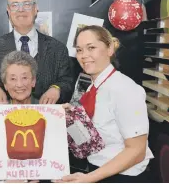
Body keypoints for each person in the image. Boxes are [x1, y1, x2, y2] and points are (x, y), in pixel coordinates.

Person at [59, 25, 154, 183]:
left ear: (110, 48)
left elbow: (137, 151)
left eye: (91, 48)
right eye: (80, 50)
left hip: (124, 177)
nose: (84, 55)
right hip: (98, 170)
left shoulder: (125, 89)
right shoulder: (92, 87)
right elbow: (92, 141)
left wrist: (89, 179)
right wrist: (72, 118)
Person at [0, 0, 73, 105]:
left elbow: (67, 82)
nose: (20, 10)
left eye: (27, 4)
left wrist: (57, 89)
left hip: (47, 120)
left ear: (36, 8)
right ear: (8, 10)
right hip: (7, 120)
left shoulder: (58, 48)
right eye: (15, 5)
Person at [0, 50, 39, 117]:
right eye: (13, 79)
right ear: (5, 84)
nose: (19, 84)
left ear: (33, 81)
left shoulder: (48, 109)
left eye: (24, 78)